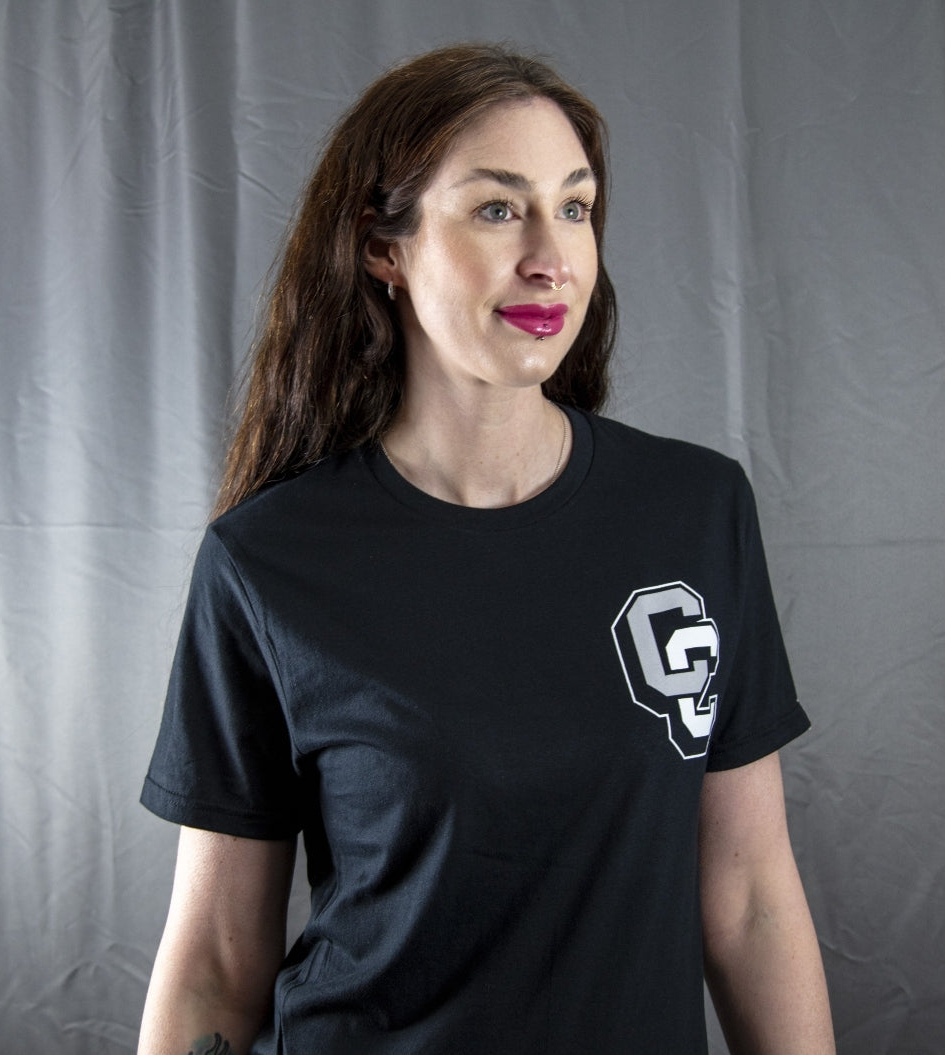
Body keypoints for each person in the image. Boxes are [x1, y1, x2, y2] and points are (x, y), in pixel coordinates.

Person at [137, 43, 835, 1055]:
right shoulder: (267, 560)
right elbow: (213, 958)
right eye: (498, 208)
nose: (551, 256)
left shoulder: (694, 510)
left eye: (574, 207)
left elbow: (750, 899)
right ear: (383, 249)